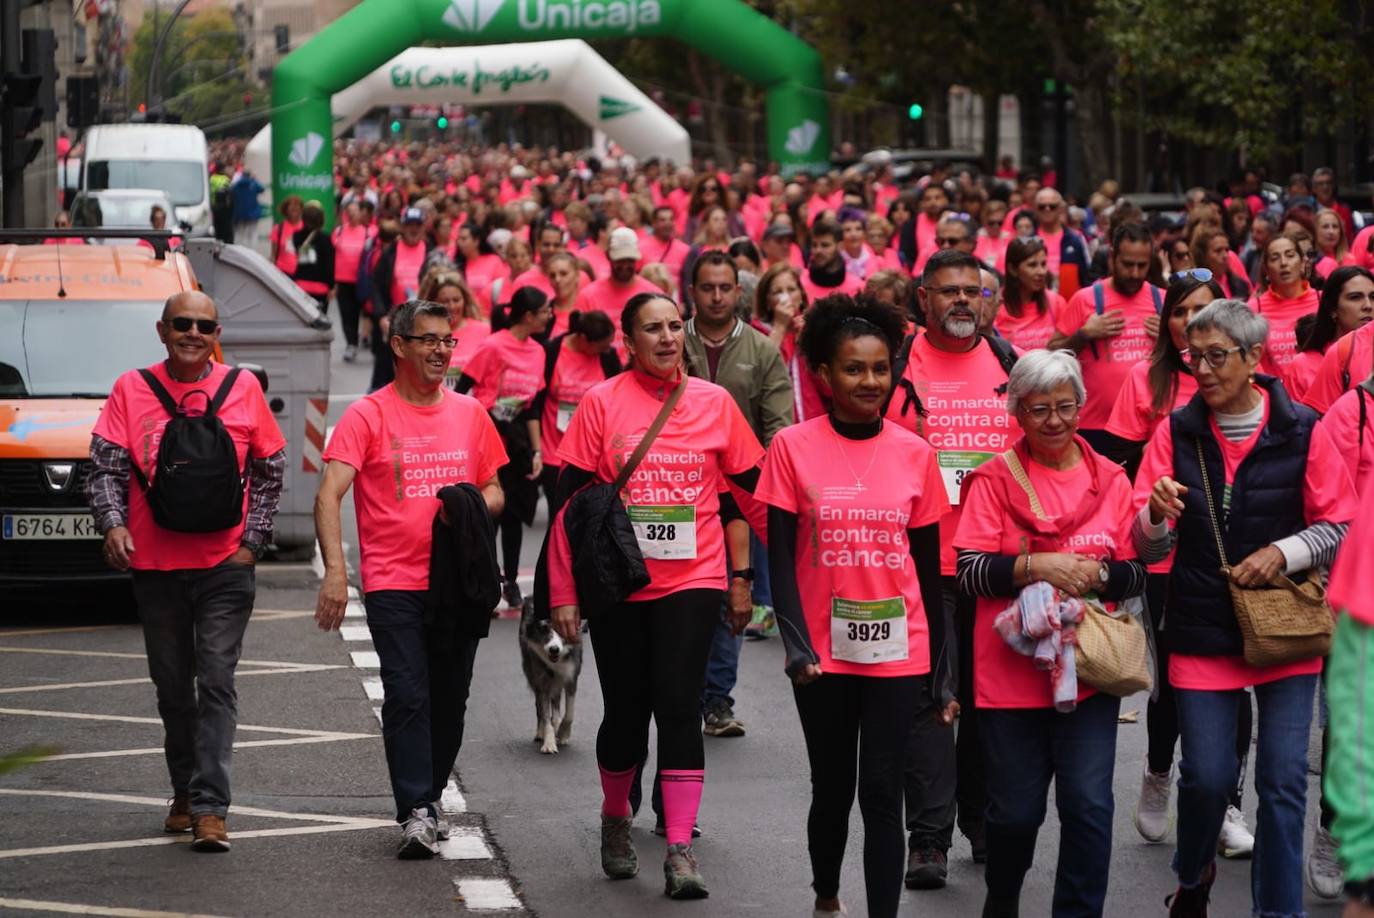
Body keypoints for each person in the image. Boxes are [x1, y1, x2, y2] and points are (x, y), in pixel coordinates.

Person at [1131, 299, 1356, 917]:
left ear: (1254, 357)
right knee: (1206, 778)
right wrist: (1154, 512)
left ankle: (1277, 913)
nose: (1201, 368)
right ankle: (1193, 874)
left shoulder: (1303, 428)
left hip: (1287, 630)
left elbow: (1339, 522)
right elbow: (1143, 544)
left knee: (1283, 783)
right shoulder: (1174, 432)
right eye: (1192, 356)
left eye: (1216, 356)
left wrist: (1283, 553)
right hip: (1203, 628)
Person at [545, 291, 764, 899]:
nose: (668, 338)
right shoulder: (600, 403)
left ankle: (679, 849)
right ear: (628, 340)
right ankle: (616, 819)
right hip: (619, 585)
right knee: (625, 712)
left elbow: (757, 494)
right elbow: (569, 507)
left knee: (678, 703)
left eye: (675, 326)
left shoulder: (715, 404)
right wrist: (564, 592)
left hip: (693, 578)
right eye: (653, 329)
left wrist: (808, 558)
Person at [757, 294, 950, 918]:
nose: (870, 381)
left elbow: (928, 569)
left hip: (900, 652)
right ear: (824, 376)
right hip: (821, 656)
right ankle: (826, 897)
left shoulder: (916, 453)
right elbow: (781, 558)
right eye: (853, 369)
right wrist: (794, 645)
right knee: (833, 787)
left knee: (883, 792)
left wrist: (941, 670)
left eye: (879, 368)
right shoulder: (791, 447)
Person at [86, 290, 287, 852]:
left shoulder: (242, 388)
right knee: (173, 688)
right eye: (182, 323)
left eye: (204, 324)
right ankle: (183, 791)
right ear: (162, 329)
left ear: (216, 332)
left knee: (216, 682)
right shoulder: (131, 388)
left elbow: (271, 469)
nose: (193, 333)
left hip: (226, 565)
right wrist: (112, 524)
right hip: (154, 565)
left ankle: (210, 808)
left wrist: (252, 543)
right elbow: (103, 465)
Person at [954, 349, 1146, 917]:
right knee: (1014, 813)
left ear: (1082, 406)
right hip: (1010, 675)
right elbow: (969, 572)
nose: (1055, 421)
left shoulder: (1111, 478)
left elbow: (1136, 571)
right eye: (1040, 409)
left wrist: (1101, 573)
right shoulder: (992, 480)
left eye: (1066, 407)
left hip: (1087, 670)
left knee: (1088, 805)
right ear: (1017, 412)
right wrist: (1039, 566)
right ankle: (1004, 897)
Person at [314, 299, 507, 859]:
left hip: (458, 583)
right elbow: (330, 493)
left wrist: (469, 505)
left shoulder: (470, 413)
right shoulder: (368, 415)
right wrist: (336, 572)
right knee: (406, 694)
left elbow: (495, 489)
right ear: (399, 345)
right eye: (428, 340)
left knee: (450, 698)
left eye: (448, 341)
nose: (441, 351)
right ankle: (417, 808)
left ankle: (432, 793)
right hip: (394, 581)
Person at [885, 248, 1022, 887]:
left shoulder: (1012, 365)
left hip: (999, 564)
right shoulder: (895, 366)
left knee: (993, 703)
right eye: (949, 292)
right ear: (924, 299)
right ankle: (929, 839)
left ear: (989, 299)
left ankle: (987, 825)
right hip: (927, 562)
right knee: (933, 704)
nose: (962, 301)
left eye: (973, 290)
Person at [684, 251, 794, 737]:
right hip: (673, 493)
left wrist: (759, 485)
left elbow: (779, 428)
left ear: (738, 292)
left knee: (733, 595)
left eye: (724, 288)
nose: (716, 296)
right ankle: (677, 692)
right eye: (707, 288)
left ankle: (717, 702)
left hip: (736, 502)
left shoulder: (763, 350)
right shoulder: (670, 339)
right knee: (679, 600)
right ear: (693, 292)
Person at [454, 288, 553, 610]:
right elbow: (463, 389)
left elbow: (534, 406)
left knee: (515, 515)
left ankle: (510, 580)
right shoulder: (493, 346)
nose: (550, 315)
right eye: (545, 311)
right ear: (528, 316)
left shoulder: (538, 351)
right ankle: (489, 578)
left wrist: (538, 451)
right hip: (489, 436)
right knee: (490, 515)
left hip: (519, 443)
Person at [1049, 222, 1165, 454]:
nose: (1134, 273)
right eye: (1127, 264)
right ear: (1112, 258)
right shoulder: (1085, 299)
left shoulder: (1162, 300)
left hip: (1149, 428)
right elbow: (1051, 352)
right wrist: (1083, 335)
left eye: (1142, 265)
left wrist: (1170, 335)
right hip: (1095, 427)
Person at [539, 308, 621, 512]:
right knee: (558, 514)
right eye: (601, 346)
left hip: (593, 455)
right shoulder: (553, 350)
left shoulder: (607, 357)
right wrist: (536, 449)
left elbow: (619, 398)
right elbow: (537, 400)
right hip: (554, 451)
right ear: (584, 339)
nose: (606, 350)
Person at [1285, 266, 1374, 403]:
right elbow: (1296, 422)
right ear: (1333, 309)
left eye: (1373, 297)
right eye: (1355, 297)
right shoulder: (1301, 366)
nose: (1368, 305)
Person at [755, 262, 826, 423]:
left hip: (815, 426)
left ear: (801, 295)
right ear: (767, 301)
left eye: (791, 290)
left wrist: (810, 340)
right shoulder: (756, 333)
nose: (786, 297)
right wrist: (779, 327)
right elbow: (758, 377)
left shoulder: (816, 328)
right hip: (775, 425)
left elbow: (829, 386)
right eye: (777, 292)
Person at [1251, 231, 1320, 374]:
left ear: (1303, 264)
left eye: (1290, 255)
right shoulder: (1253, 308)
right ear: (1266, 271)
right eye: (1275, 258)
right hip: (1276, 393)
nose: (1283, 263)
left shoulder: (1324, 300)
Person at [574, 227, 661, 340]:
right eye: (619, 260)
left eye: (629, 260)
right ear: (608, 256)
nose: (624, 265)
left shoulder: (654, 295)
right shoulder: (587, 296)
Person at [997, 236, 1066, 352]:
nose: (1041, 272)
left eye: (1043, 264)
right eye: (1032, 265)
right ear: (1012, 269)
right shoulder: (997, 305)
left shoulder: (1056, 302)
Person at [422, 270, 489, 385]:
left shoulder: (484, 330)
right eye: (444, 301)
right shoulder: (422, 333)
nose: (452, 306)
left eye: (456, 300)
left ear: (465, 300)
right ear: (433, 303)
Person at [333, 200, 376, 363]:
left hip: (361, 282)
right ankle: (351, 344)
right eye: (348, 210)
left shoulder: (368, 232)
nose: (351, 213)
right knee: (347, 314)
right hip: (343, 281)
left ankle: (368, 337)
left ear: (361, 213)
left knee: (366, 313)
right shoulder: (339, 231)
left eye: (354, 210)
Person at [1032, 188, 1092, 294]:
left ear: (1060, 209)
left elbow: (1086, 277)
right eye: (1042, 207)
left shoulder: (1076, 239)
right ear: (1035, 209)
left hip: (1068, 303)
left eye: (1052, 206)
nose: (1047, 209)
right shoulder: (1028, 240)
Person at [803, 219, 865, 303]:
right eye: (814, 245)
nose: (818, 250)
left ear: (840, 247)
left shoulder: (857, 288)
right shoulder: (800, 283)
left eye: (825, 245)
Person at [290, 201, 335, 315]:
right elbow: (329, 266)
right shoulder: (326, 239)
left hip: (301, 286)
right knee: (319, 321)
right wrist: (332, 286)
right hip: (320, 288)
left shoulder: (296, 236)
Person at [1190, 227, 1251, 300]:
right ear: (1203, 256)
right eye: (1218, 251)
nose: (1225, 255)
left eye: (1227, 250)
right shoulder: (1193, 288)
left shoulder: (1240, 285)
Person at [1314, 208, 1356, 281]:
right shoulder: (1310, 261)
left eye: (1335, 226)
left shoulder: (1350, 260)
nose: (1331, 232)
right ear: (1315, 231)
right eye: (1325, 227)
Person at [229, 168, 265, 248]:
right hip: (253, 213)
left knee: (239, 232)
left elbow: (231, 192)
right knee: (252, 233)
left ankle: (238, 250)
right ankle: (252, 251)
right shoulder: (253, 184)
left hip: (240, 213)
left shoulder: (237, 185)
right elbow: (262, 189)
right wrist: (255, 179)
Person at [270, 196, 304, 277]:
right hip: (282, 273)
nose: (294, 208)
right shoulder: (278, 229)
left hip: (301, 275)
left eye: (297, 205)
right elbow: (273, 255)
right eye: (291, 205)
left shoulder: (306, 228)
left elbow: (309, 257)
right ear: (285, 210)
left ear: (301, 210)